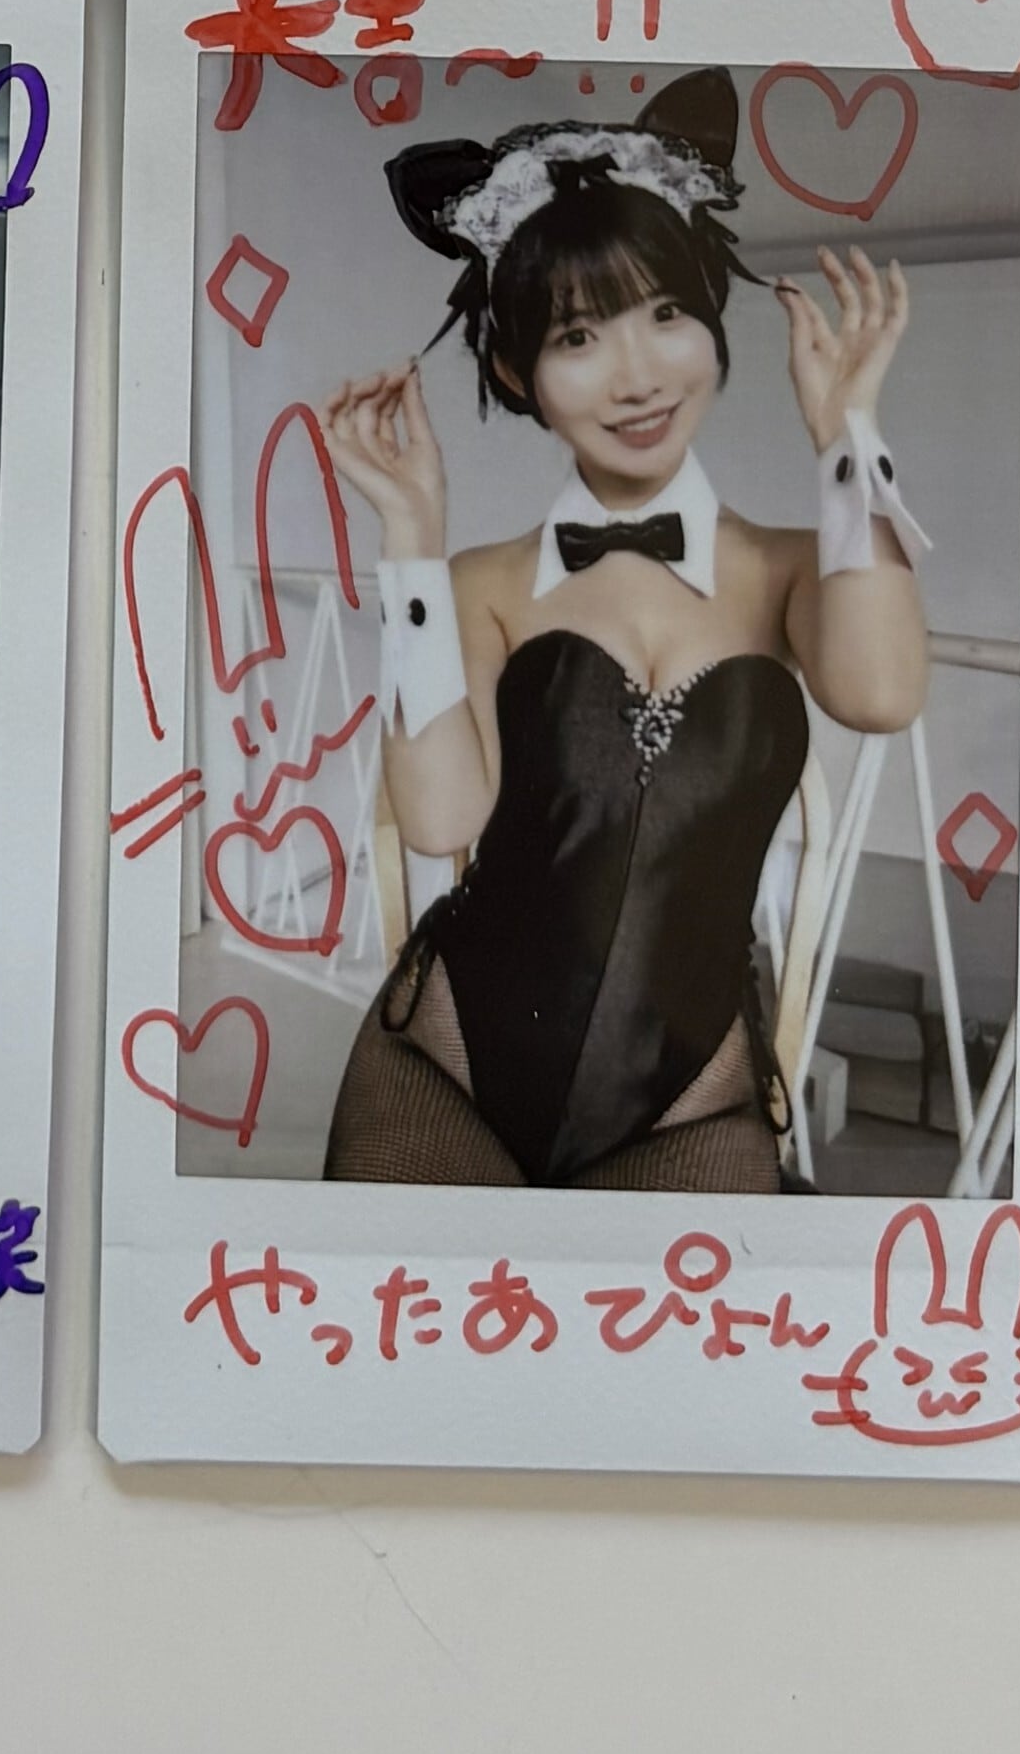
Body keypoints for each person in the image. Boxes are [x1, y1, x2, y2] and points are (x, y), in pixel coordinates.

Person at [314, 74, 929, 1190]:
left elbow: (881, 694)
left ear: (711, 319)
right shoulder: (479, 581)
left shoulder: (794, 565)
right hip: (447, 1065)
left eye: (665, 314)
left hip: (690, 1097)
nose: (638, 375)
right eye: (579, 334)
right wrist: (410, 536)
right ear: (519, 373)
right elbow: (440, 820)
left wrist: (848, 436)